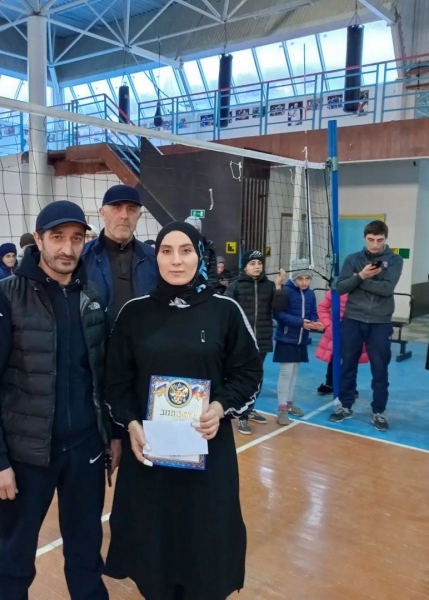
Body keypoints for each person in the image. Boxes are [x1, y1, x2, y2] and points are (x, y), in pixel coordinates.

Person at [0, 201, 119, 600]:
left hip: (85, 449)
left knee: (86, 556)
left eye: (77, 238)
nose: (67, 249)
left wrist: (112, 435)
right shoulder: (5, 296)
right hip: (26, 455)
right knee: (15, 560)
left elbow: (101, 375)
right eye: (57, 237)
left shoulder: (91, 295)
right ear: (38, 239)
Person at [104, 221, 262, 600]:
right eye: (167, 251)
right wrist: (130, 423)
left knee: (205, 549)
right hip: (149, 457)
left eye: (185, 250)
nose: (176, 260)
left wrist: (220, 406)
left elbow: (248, 373)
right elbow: (115, 382)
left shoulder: (224, 310)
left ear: (199, 256)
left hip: (207, 454)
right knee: (154, 552)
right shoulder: (134, 313)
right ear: (155, 258)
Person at [329, 220, 403, 431]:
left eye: (379, 240)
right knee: (348, 364)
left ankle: (378, 411)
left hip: (380, 322)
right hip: (353, 319)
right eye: (371, 240)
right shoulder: (353, 259)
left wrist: (358, 280)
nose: (375, 245)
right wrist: (361, 275)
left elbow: (387, 289)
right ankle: (345, 406)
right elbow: (341, 287)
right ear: (365, 238)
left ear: (385, 238)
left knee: (380, 368)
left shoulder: (394, 260)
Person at [225, 249, 288, 434]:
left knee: (257, 378)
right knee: (241, 378)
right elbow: (226, 312)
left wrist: (279, 285)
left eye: (259, 263)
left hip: (262, 340)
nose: (257, 266)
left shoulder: (269, 286)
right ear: (245, 266)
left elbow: (278, 308)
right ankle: (242, 415)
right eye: (252, 263)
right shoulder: (235, 286)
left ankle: (249, 409)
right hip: (241, 342)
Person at [82, 184, 158, 323]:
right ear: (102, 213)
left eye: (131, 209)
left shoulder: (154, 259)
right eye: (117, 208)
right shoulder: (82, 257)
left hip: (142, 336)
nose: (124, 216)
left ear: (139, 216)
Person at [273, 259, 323, 426]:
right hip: (286, 338)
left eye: (307, 278)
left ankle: (288, 402)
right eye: (300, 278)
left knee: (294, 372)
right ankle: (281, 408)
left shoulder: (311, 294)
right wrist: (301, 322)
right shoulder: (286, 291)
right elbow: (278, 315)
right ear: (294, 278)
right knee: (286, 372)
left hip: (301, 339)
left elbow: (313, 313)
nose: (304, 282)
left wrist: (315, 323)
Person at [315, 289, 367, 396]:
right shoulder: (335, 291)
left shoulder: (363, 291)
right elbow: (322, 307)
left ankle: (350, 386)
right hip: (336, 330)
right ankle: (330, 383)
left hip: (355, 330)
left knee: (352, 358)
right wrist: (328, 325)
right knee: (333, 356)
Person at [184, 215, 219, 291]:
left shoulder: (208, 248)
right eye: (190, 228)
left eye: (196, 229)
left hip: (203, 289)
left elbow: (212, 273)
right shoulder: (178, 246)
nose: (193, 232)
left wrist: (209, 290)